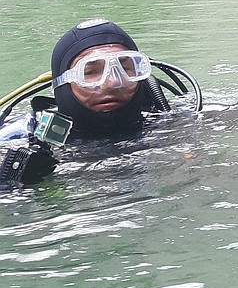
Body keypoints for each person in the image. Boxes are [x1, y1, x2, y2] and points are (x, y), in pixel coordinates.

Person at [0, 17, 202, 186]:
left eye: (126, 68)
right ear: (63, 83)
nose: (113, 82)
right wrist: (10, 182)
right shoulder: (21, 137)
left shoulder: (173, 121)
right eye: (90, 72)